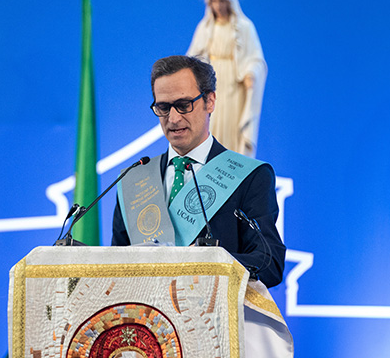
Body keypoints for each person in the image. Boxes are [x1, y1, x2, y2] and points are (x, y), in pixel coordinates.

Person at [111, 55, 285, 288]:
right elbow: (116, 269)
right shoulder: (134, 179)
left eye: (184, 105)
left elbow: (270, 263)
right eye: (163, 107)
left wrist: (211, 263)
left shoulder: (249, 177)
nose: (173, 118)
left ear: (209, 101)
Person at [186, 0, 267, 158]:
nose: (218, 6)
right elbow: (192, 57)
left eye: (222, 1)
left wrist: (251, 73)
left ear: (230, 2)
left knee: (231, 125)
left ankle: (232, 164)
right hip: (209, 82)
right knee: (210, 121)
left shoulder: (244, 27)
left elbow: (255, 58)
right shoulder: (205, 28)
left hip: (233, 83)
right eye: (214, 1)